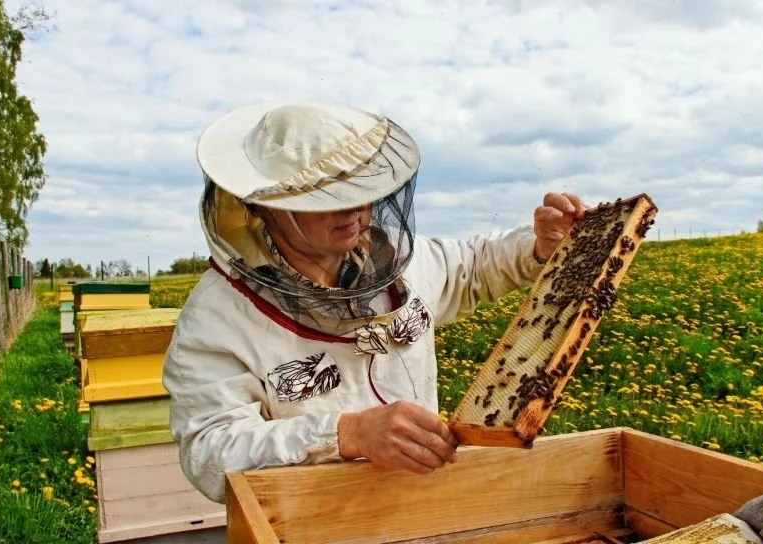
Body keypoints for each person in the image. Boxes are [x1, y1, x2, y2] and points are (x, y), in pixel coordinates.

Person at [162, 101, 586, 503]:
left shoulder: (397, 261)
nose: (354, 210)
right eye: (323, 195)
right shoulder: (215, 319)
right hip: (315, 525)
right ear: (263, 207)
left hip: (423, 503)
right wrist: (346, 434)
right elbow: (209, 451)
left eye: (356, 186)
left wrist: (539, 247)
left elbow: (473, 266)